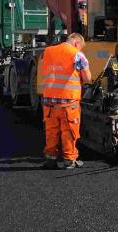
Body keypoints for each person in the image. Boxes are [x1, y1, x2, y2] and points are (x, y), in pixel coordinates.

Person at [38, 33, 92, 169]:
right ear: (76, 43)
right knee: (69, 131)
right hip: (69, 103)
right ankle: (69, 160)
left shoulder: (47, 52)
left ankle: (50, 159)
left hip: (49, 102)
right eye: (80, 47)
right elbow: (87, 78)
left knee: (51, 131)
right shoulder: (77, 54)